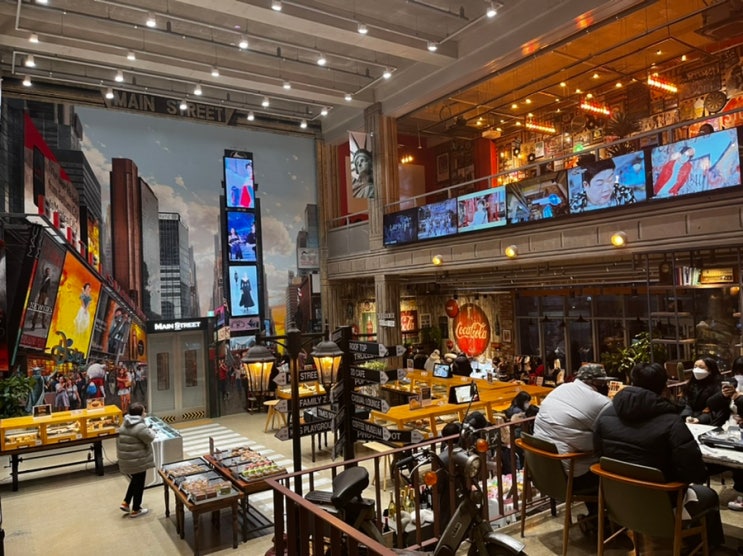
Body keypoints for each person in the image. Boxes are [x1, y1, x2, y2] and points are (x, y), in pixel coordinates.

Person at [593, 362, 725, 548]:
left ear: (632, 381)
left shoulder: (606, 414)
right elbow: (694, 472)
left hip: (617, 501)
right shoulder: (671, 422)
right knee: (709, 495)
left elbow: (599, 453)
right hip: (662, 505)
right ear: (664, 388)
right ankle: (702, 548)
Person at [532, 363, 612, 523]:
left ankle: (595, 521)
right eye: (605, 383)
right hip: (570, 478)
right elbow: (611, 436)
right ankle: (603, 524)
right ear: (597, 383)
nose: (607, 387)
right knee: (614, 473)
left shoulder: (560, 390)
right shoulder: (601, 402)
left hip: (542, 471)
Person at [116, 402, 156, 518]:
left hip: (128, 459)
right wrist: (152, 431)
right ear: (140, 414)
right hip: (138, 460)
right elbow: (150, 438)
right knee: (139, 483)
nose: (145, 413)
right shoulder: (140, 426)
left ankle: (126, 502)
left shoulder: (125, 422)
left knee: (135, 480)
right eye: (144, 411)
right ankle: (136, 509)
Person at [570, 158, 636, 212]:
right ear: (586, 185)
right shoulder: (574, 205)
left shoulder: (625, 192)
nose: (607, 189)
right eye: (600, 183)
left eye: (610, 179)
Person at [682, 357, 723, 424]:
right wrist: (687, 416)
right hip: (689, 420)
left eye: (701, 367)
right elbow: (685, 403)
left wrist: (699, 419)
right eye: (695, 366)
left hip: (707, 422)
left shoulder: (718, 387)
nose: (697, 370)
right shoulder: (690, 384)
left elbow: (716, 410)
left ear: (710, 370)